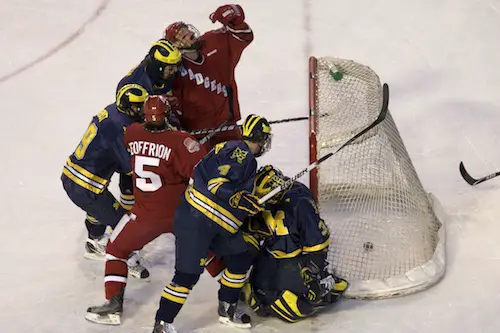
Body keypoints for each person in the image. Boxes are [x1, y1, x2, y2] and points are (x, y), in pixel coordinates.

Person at [85, 95, 207, 325]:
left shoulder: (132, 133)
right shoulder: (181, 141)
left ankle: (113, 305)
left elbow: (152, 141)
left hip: (144, 215)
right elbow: (199, 171)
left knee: (116, 249)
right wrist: (193, 144)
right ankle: (230, 297)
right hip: (179, 212)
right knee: (206, 249)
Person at [152, 114, 272, 333]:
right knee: (186, 276)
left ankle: (227, 308)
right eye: (263, 139)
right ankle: (162, 323)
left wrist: (245, 203)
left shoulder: (229, 147)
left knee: (239, 259)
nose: (264, 144)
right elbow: (216, 183)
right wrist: (237, 198)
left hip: (219, 222)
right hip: (197, 222)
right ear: (257, 138)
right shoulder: (242, 154)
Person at [240, 165, 349, 323]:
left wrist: (311, 272)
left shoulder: (299, 203)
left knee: (290, 310)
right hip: (271, 254)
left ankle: (327, 284)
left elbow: (317, 243)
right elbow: (253, 227)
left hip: (295, 259)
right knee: (260, 301)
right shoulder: (265, 202)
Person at [60, 84, 149, 278]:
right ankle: (130, 260)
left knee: (100, 209)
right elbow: (129, 167)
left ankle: (95, 241)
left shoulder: (113, 111)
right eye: (139, 106)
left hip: (76, 177)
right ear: (127, 106)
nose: (143, 110)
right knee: (124, 225)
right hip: (86, 186)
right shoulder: (121, 127)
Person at [164, 4, 254, 149]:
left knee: (238, 166)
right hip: (198, 136)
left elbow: (244, 36)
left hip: (227, 127)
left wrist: (235, 19)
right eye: (183, 36)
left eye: (188, 31)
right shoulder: (172, 68)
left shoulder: (213, 42)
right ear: (175, 45)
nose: (190, 35)